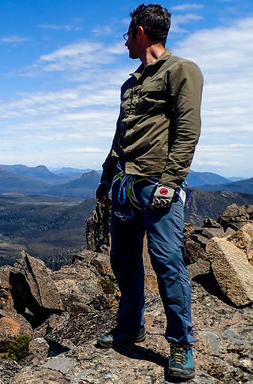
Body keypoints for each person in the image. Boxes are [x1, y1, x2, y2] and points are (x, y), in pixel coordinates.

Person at [95, 3, 203, 380]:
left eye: (127, 33)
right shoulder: (130, 83)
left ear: (140, 31)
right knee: (123, 260)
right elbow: (119, 135)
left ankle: (181, 345)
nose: (124, 40)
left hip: (158, 184)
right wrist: (107, 177)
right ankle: (130, 326)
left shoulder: (181, 71)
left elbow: (187, 131)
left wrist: (170, 183)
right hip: (126, 185)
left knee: (167, 262)